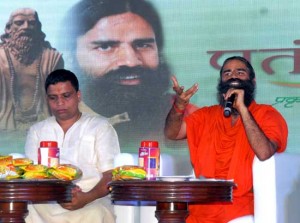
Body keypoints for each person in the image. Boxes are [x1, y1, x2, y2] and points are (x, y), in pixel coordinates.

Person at [164, 56, 288, 223]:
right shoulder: (206, 115)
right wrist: (178, 106)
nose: (233, 76)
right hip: (200, 208)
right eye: (227, 73)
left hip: (241, 211)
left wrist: (243, 109)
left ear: (253, 81)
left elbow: (265, 152)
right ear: (221, 82)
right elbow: (172, 133)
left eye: (240, 72)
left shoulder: (267, 115)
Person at [61, 0, 198, 148]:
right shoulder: (54, 121)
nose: (130, 61)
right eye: (106, 46)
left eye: (143, 45)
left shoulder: (192, 119)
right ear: (71, 56)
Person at [24, 69, 120, 223]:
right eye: (53, 98)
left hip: (91, 199)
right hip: (47, 202)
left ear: (78, 95)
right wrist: (57, 193)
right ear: (47, 100)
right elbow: (32, 175)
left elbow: (111, 175)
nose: (59, 103)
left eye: (66, 96)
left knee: (96, 212)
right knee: (26, 210)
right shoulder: (37, 131)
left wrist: (86, 197)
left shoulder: (101, 127)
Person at [0, 8, 64, 131]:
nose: (26, 27)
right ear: (8, 29)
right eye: (19, 23)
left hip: (44, 124)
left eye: (31, 23)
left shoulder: (52, 58)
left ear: (38, 28)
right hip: (4, 128)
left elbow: (67, 94)